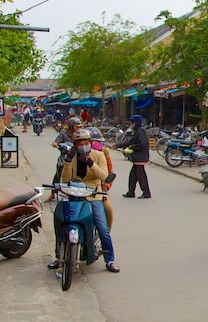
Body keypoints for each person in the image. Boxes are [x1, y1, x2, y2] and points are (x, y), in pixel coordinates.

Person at [47, 128, 119, 273]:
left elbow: (104, 176)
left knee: (102, 227)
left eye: (86, 143)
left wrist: (91, 163)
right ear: (75, 144)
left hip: (93, 195)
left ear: (90, 143)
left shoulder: (98, 155)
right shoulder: (71, 157)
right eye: (80, 143)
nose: (83, 145)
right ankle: (59, 255)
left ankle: (110, 259)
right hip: (73, 195)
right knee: (60, 221)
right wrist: (67, 161)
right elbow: (66, 178)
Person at [121, 115, 151, 198]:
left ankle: (146, 193)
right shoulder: (137, 131)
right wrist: (118, 145)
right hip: (137, 158)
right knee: (133, 176)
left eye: (132, 122)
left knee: (141, 176)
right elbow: (130, 142)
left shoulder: (140, 132)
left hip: (140, 157)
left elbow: (142, 144)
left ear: (136, 123)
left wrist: (132, 147)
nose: (131, 124)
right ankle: (131, 192)